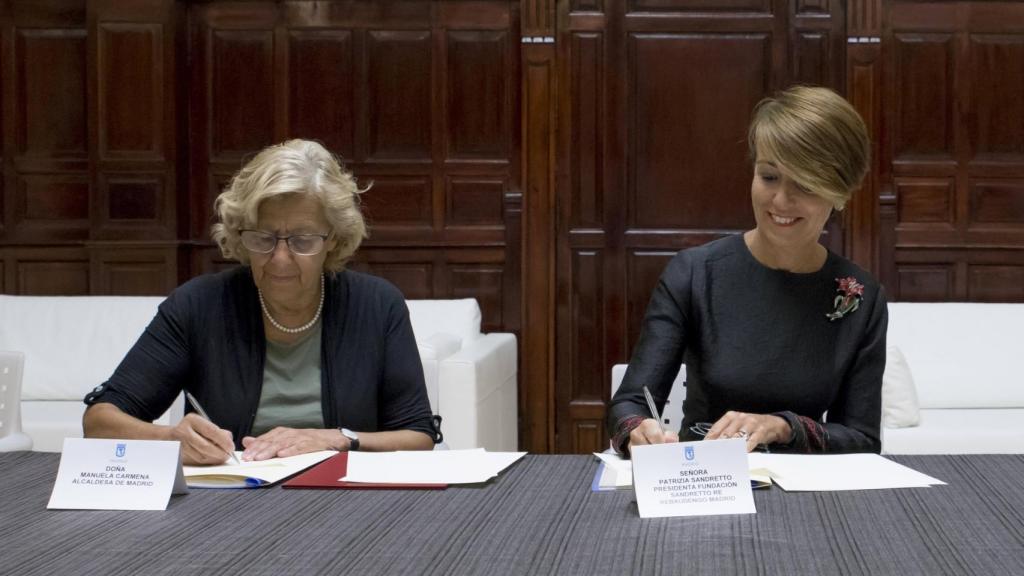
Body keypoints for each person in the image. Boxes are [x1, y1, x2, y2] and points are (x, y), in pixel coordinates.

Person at [83, 139, 437, 464]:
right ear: (240, 234)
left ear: (333, 238)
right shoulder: (199, 305)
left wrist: (340, 438)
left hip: (345, 498)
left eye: (301, 240)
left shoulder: (376, 305)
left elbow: (419, 435)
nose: (280, 258)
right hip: (231, 501)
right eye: (263, 238)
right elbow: (100, 421)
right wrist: (170, 439)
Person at [607, 86, 887, 456]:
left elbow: (862, 438)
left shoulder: (859, 295)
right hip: (705, 483)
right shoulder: (695, 273)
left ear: (838, 192)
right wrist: (638, 431)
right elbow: (629, 404)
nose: (781, 200)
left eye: (803, 184)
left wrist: (783, 426)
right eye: (769, 177)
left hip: (808, 494)